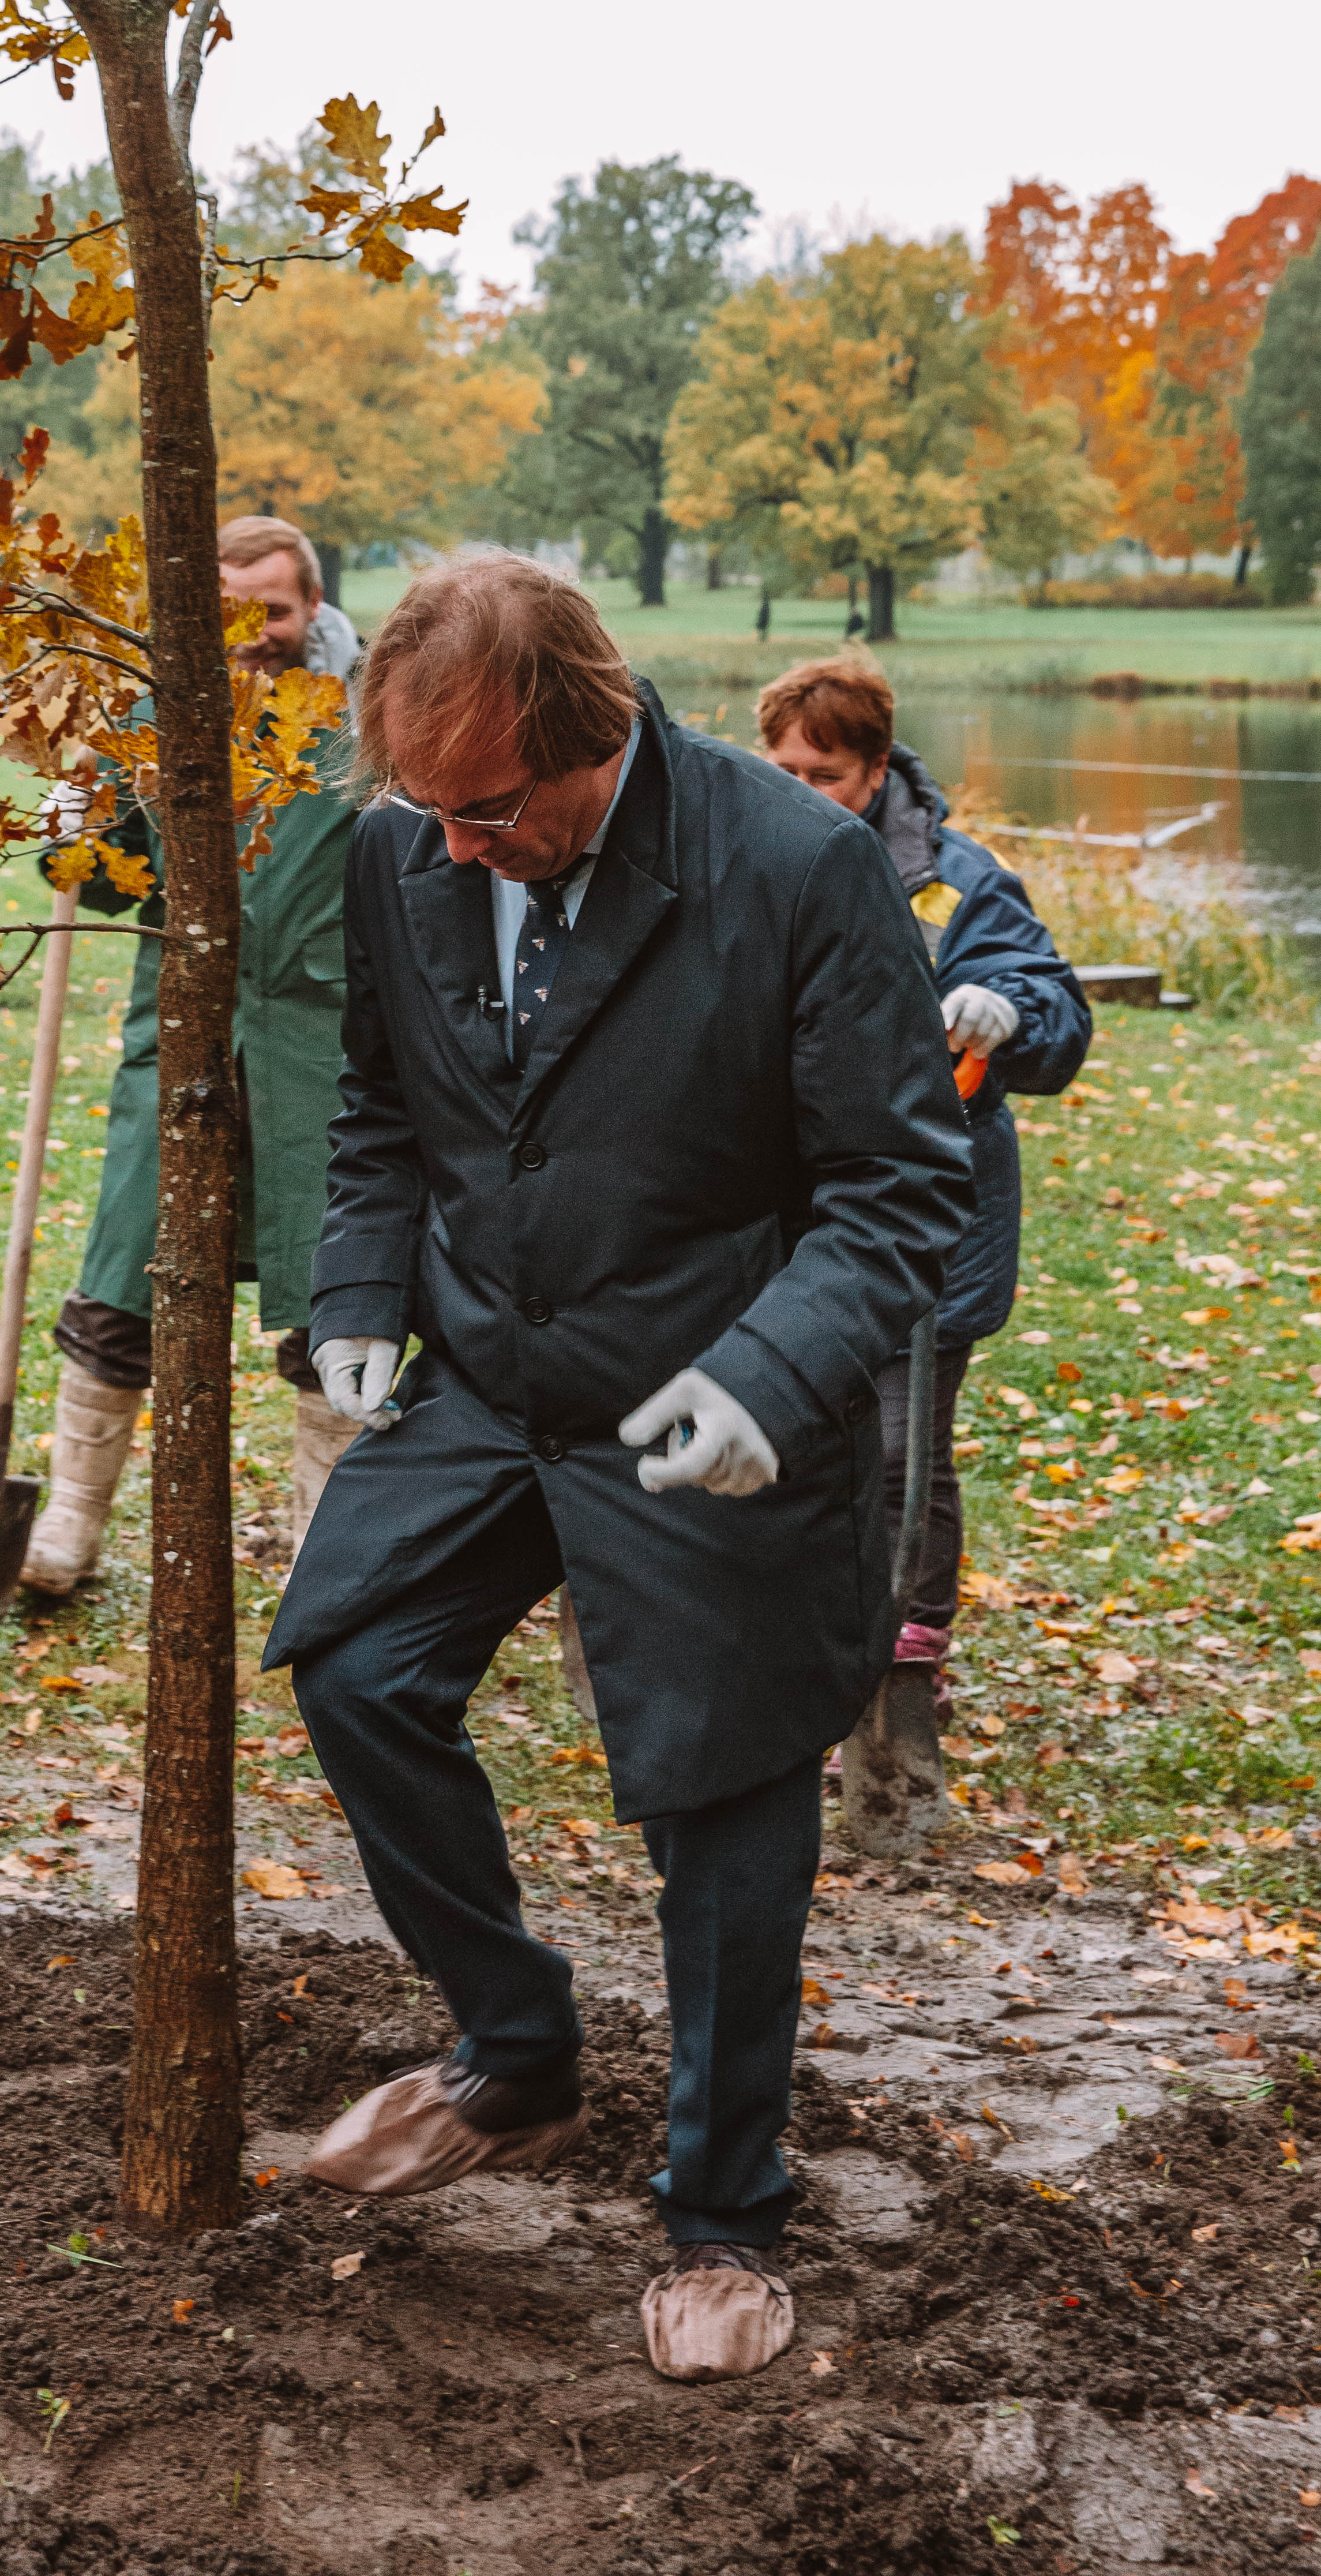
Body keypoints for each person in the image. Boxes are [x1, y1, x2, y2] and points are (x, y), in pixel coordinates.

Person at [262, 552, 972, 2383]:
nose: (454, 851)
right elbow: (378, 1110)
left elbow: (901, 1192)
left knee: (724, 1799)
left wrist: (771, 1372)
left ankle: (725, 2213)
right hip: (490, 1379)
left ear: (602, 739)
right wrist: (352, 1294)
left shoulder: (799, 869)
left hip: (713, 1403)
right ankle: (515, 2053)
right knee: (352, 1663)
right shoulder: (409, 846)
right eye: (426, 813)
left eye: (489, 810)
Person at [22, 515, 361, 1592]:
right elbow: (84, 865)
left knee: (337, 1297)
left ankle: (327, 1550)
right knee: (124, 1277)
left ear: (312, 608)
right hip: (179, 1041)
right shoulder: (151, 721)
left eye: (274, 607)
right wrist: (70, 794)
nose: (254, 632)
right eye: (229, 611)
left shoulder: (370, 728)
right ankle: (69, 1522)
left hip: (329, 1057)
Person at [756, 649, 1091, 1705]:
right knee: (798, 1434)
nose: (800, 792)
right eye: (783, 769)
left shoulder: (957, 880)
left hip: (935, 1212)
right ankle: (807, 1631)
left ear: (875, 768)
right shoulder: (751, 858)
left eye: (823, 776)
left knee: (904, 1446)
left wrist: (1009, 1011)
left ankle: (909, 1651)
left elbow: (1055, 1013)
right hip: (794, 1210)